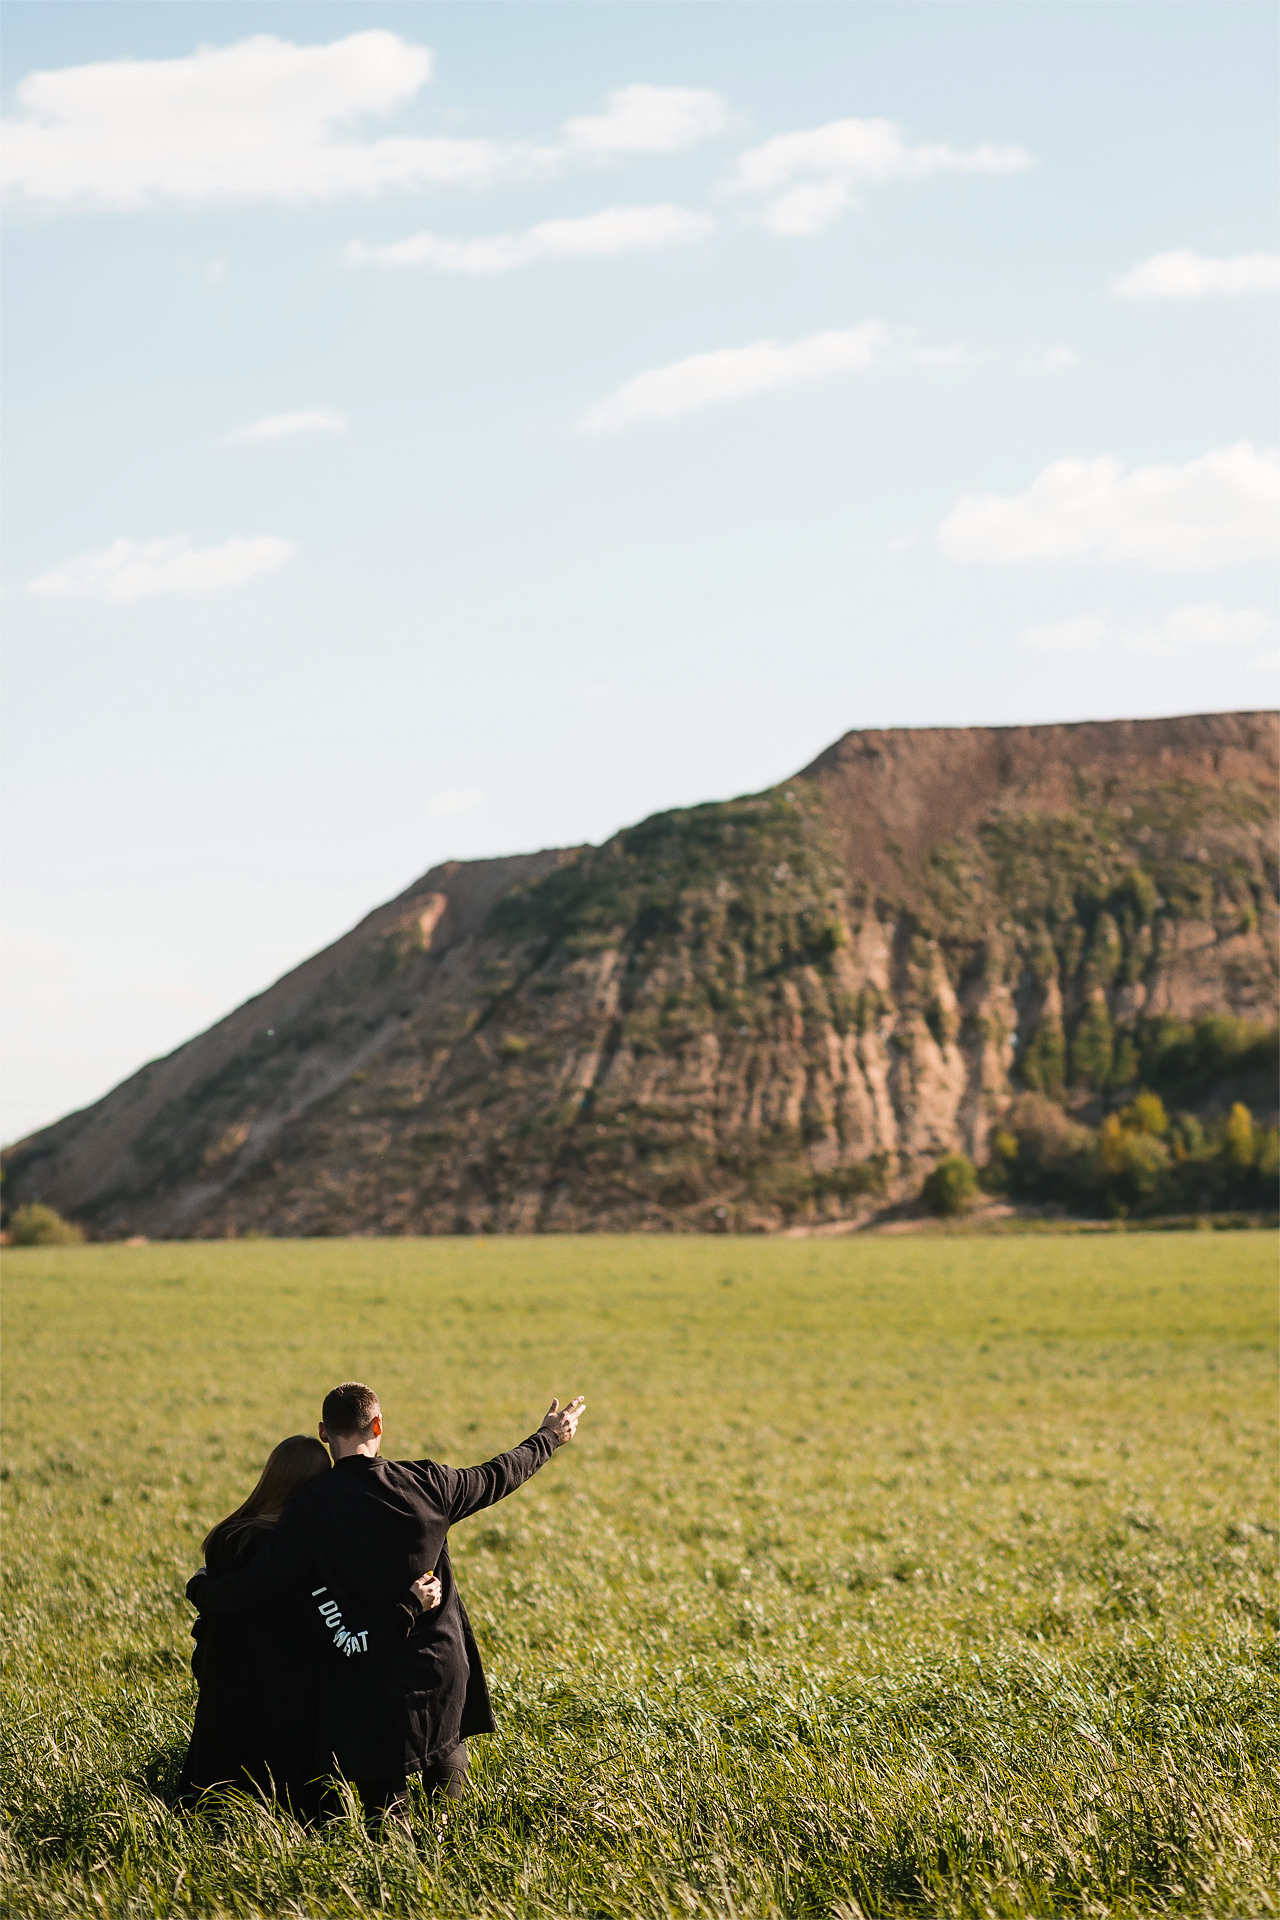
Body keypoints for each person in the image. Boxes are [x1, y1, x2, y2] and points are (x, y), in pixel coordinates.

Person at [188, 1383, 585, 1820]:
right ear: (378, 1425)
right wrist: (549, 1436)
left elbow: (256, 1586)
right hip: (441, 1671)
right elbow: (499, 1474)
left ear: (324, 1432)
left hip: (371, 1684)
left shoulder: (307, 1512)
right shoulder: (429, 1483)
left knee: (388, 1828)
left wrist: (201, 1588)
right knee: (447, 1815)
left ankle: (392, 1885)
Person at [180, 1433, 439, 1816]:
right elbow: (345, 1639)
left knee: (211, 1819)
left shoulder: (225, 1536)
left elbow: (225, 1598)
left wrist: (197, 1586)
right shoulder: (295, 1553)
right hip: (285, 1720)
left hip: (221, 1708)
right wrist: (409, 1608)